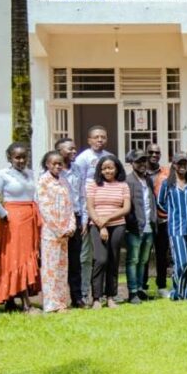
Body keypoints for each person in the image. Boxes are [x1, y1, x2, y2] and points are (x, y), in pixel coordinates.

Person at [0, 142, 41, 313]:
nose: (21, 160)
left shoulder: (30, 173)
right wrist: (4, 214)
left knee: (28, 257)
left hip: (30, 218)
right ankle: (26, 304)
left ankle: (11, 300)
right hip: (13, 220)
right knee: (17, 259)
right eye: (17, 157)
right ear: (10, 158)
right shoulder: (3, 174)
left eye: (24, 157)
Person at [158, 153, 187, 300]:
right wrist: (173, 212)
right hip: (176, 229)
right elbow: (160, 202)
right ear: (174, 165)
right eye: (179, 163)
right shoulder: (167, 184)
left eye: (185, 163)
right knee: (181, 262)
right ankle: (177, 292)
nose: (182, 166)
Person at [86, 155, 130, 309]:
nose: (107, 171)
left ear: (117, 168)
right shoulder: (93, 184)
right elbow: (90, 207)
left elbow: (126, 208)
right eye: (104, 168)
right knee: (100, 259)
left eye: (110, 168)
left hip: (118, 226)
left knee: (113, 260)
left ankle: (111, 296)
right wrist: (102, 225)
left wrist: (107, 218)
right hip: (97, 226)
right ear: (99, 170)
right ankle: (96, 298)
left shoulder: (123, 185)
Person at [74, 125, 112, 303]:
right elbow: (80, 186)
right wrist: (84, 216)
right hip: (87, 210)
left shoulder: (109, 157)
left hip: (106, 211)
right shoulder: (83, 159)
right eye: (96, 137)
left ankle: (104, 292)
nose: (100, 140)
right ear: (89, 140)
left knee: (103, 255)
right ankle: (84, 292)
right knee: (85, 255)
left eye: (103, 137)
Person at [37, 151, 76, 313]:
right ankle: (51, 303)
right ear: (47, 164)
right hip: (51, 232)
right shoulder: (43, 181)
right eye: (54, 163)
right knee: (50, 268)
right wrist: (59, 229)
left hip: (65, 232)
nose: (58, 166)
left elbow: (70, 205)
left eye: (60, 163)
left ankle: (61, 302)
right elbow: (44, 209)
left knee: (62, 268)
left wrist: (71, 226)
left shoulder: (64, 181)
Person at [55, 138, 87, 308]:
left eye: (75, 148)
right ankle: (57, 298)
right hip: (57, 218)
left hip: (76, 216)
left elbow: (82, 195)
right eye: (70, 149)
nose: (74, 152)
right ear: (59, 151)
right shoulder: (52, 171)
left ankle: (77, 297)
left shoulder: (77, 170)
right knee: (57, 260)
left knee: (75, 260)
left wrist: (84, 219)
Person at [125, 149, 157, 304]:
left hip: (149, 226)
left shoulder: (148, 179)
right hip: (135, 228)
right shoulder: (128, 181)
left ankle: (139, 288)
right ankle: (132, 292)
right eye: (138, 161)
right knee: (133, 260)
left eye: (144, 160)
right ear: (132, 163)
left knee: (143, 260)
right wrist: (130, 224)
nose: (142, 164)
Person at [145, 143, 171, 298]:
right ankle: (142, 286)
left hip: (163, 220)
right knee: (144, 256)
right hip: (146, 221)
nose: (154, 155)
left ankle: (161, 285)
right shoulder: (141, 172)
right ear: (146, 153)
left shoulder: (166, 172)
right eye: (151, 152)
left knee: (162, 255)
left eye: (157, 152)